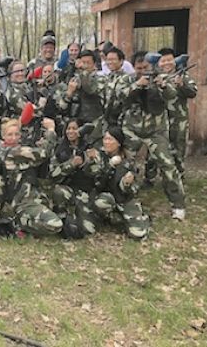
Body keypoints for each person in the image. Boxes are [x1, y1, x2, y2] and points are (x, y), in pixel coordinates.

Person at [118, 52, 187, 220]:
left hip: (156, 131)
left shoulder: (161, 78)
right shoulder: (127, 80)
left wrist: (162, 85)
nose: (143, 71)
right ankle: (122, 199)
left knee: (168, 165)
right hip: (131, 130)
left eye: (146, 68)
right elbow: (119, 96)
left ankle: (178, 205)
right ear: (134, 68)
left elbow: (172, 95)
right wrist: (137, 85)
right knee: (124, 165)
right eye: (139, 68)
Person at [0, 118, 66, 236]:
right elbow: (44, 153)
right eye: (10, 135)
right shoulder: (13, 152)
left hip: (37, 197)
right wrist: (50, 130)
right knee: (55, 224)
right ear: (3, 136)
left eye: (16, 134)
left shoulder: (9, 150)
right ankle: (18, 223)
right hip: (24, 203)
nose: (13, 138)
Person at [69, 128, 150, 240]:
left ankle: (123, 219)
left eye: (110, 139)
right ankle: (110, 218)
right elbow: (97, 182)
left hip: (124, 200)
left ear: (118, 143)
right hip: (104, 197)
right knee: (95, 214)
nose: (106, 142)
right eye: (105, 139)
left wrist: (126, 184)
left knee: (138, 234)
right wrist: (108, 166)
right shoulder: (99, 156)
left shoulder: (130, 161)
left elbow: (134, 189)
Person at [158, 47, 197, 177]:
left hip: (179, 118)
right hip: (159, 119)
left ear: (175, 61)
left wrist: (181, 85)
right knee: (159, 147)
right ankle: (155, 176)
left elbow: (193, 93)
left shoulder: (183, 76)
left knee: (178, 146)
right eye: (163, 61)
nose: (166, 63)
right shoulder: (156, 77)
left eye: (169, 60)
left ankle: (179, 174)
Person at [64, 50, 107, 145]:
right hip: (76, 122)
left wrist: (83, 72)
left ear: (94, 64)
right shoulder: (75, 78)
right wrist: (69, 92)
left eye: (88, 63)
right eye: (83, 62)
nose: (85, 66)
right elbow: (63, 103)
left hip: (94, 124)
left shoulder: (101, 79)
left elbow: (90, 89)